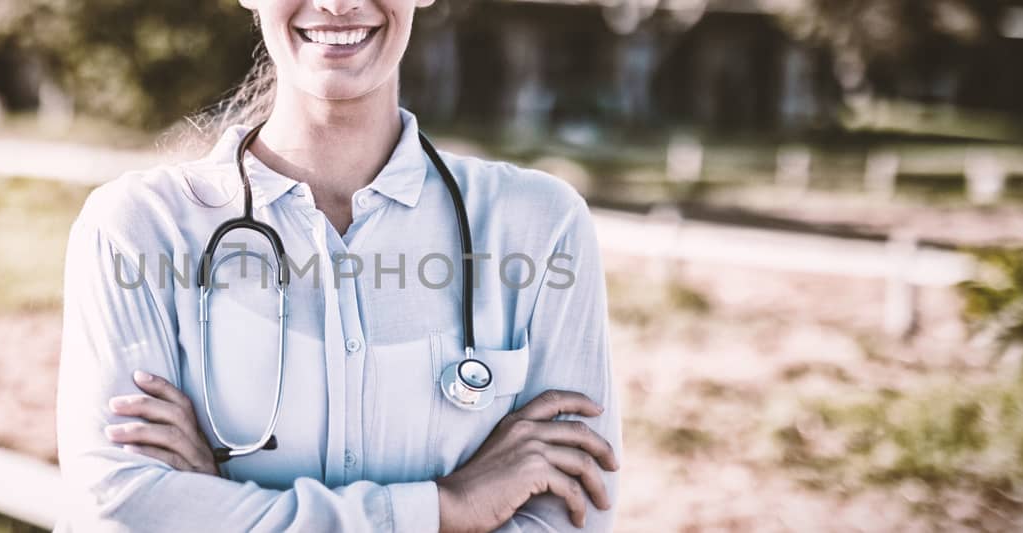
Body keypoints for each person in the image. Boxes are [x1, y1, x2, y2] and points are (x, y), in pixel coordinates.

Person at [56, 0, 622, 531]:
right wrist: (445, 508)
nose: (336, 2)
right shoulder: (138, 229)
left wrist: (218, 504)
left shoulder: (542, 227)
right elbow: (117, 512)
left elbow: (571, 512)